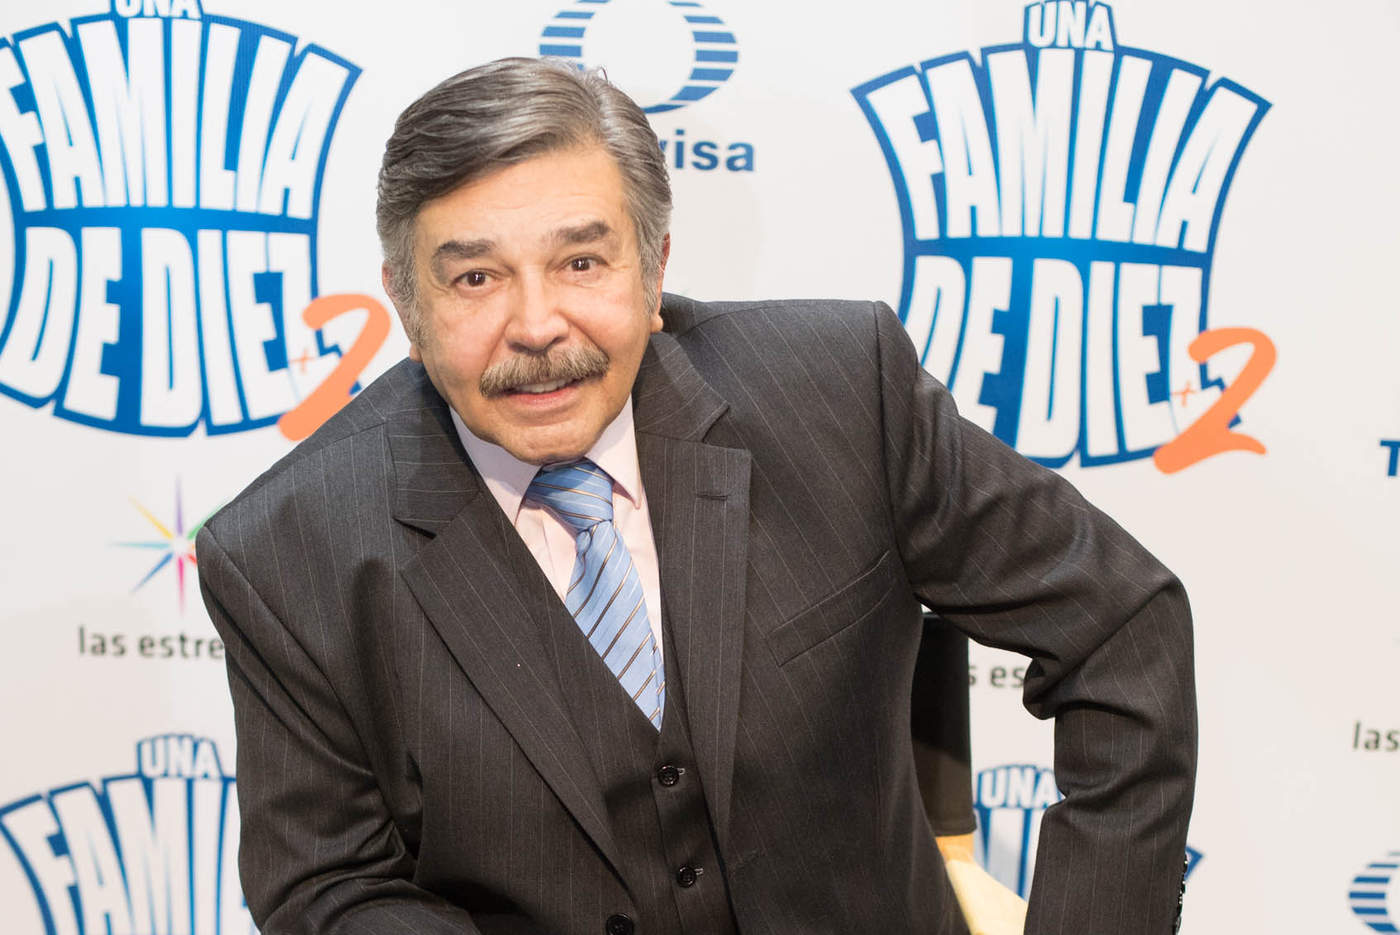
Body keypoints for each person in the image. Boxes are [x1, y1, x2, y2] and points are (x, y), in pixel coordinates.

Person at [196, 57, 1195, 935]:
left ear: (654, 267)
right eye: (475, 280)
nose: (536, 325)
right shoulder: (286, 550)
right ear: (407, 305)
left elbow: (1119, 623)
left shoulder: (842, 394)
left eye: (581, 262)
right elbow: (330, 884)